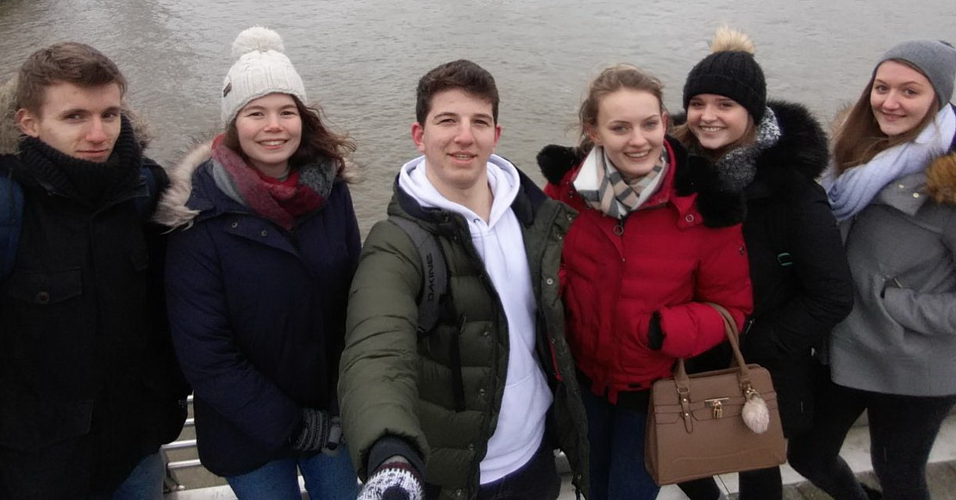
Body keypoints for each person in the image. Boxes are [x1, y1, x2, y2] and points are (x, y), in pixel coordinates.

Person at [338, 59, 589, 500]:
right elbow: (377, 349)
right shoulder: (396, 243)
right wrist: (390, 452)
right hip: (453, 475)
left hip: (535, 457)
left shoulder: (534, 216)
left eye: (479, 122)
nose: (465, 136)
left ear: (497, 134)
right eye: (447, 120)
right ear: (419, 135)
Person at [0, 42, 188, 500]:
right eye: (75, 116)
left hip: (134, 452)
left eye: (110, 114)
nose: (98, 134)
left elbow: (168, 314)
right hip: (29, 469)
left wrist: (164, 409)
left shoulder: (145, 189)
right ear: (28, 122)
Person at [156, 27, 360, 500]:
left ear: (303, 119)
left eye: (286, 111)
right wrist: (291, 425)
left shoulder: (332, 193)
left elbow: (356, 296)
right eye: (256, 113)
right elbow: (205, 351)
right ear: (234, 123)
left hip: (331, 416)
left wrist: (345, 399)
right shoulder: (197, 215)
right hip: (245, 431)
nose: (274, 126)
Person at [536, 63, 752, 500]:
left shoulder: (702, 206)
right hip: (583, 384)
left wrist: (662, 331)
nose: (638, 140)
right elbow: (541, 266)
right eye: (620, 127)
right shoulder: (564, 193)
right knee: (592, 487)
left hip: (657, 392)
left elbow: (733, 309)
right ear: (594, 131)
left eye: (649, 124)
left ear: (665, 122)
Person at [672, 28, 853, 500]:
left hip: (762, 361)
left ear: (751, 113)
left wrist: (755, 342)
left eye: (725, 105)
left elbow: (832, 295)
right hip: (685, 349)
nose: (707, 116)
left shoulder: (793, 193)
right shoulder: (672, 172)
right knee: (683, 455)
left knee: (757, 466)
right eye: (697, 103)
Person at [788, 40, 956, 500]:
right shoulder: (851, 155)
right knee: (808, 454)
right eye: (881, 87)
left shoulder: (948, 182)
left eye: (910, 91)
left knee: (898, 473)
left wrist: (896, 306)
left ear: (938, 98)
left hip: (915, 360)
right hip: (843, 345)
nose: (890, 102)